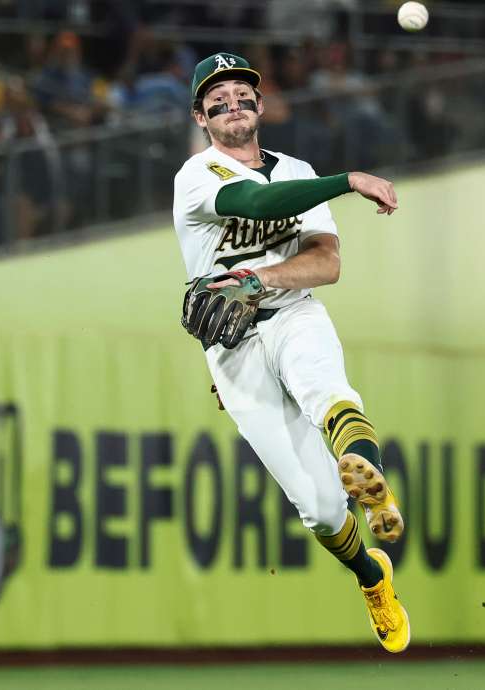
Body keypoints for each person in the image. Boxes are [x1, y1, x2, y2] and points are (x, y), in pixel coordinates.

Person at [171, 52, 409, 653]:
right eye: (216, 99)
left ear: (259, 103)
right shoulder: (197, 176)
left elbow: (326, 262)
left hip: (292, 313)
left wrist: (262, 279)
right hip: (233, 349)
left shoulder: (296, 169)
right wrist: (348, 180)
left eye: (241, 93)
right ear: (202, 116)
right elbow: (257, 204)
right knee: (323, 512)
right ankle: (371, 575)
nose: (232, 104)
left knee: (327, 391)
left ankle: (372, 478)